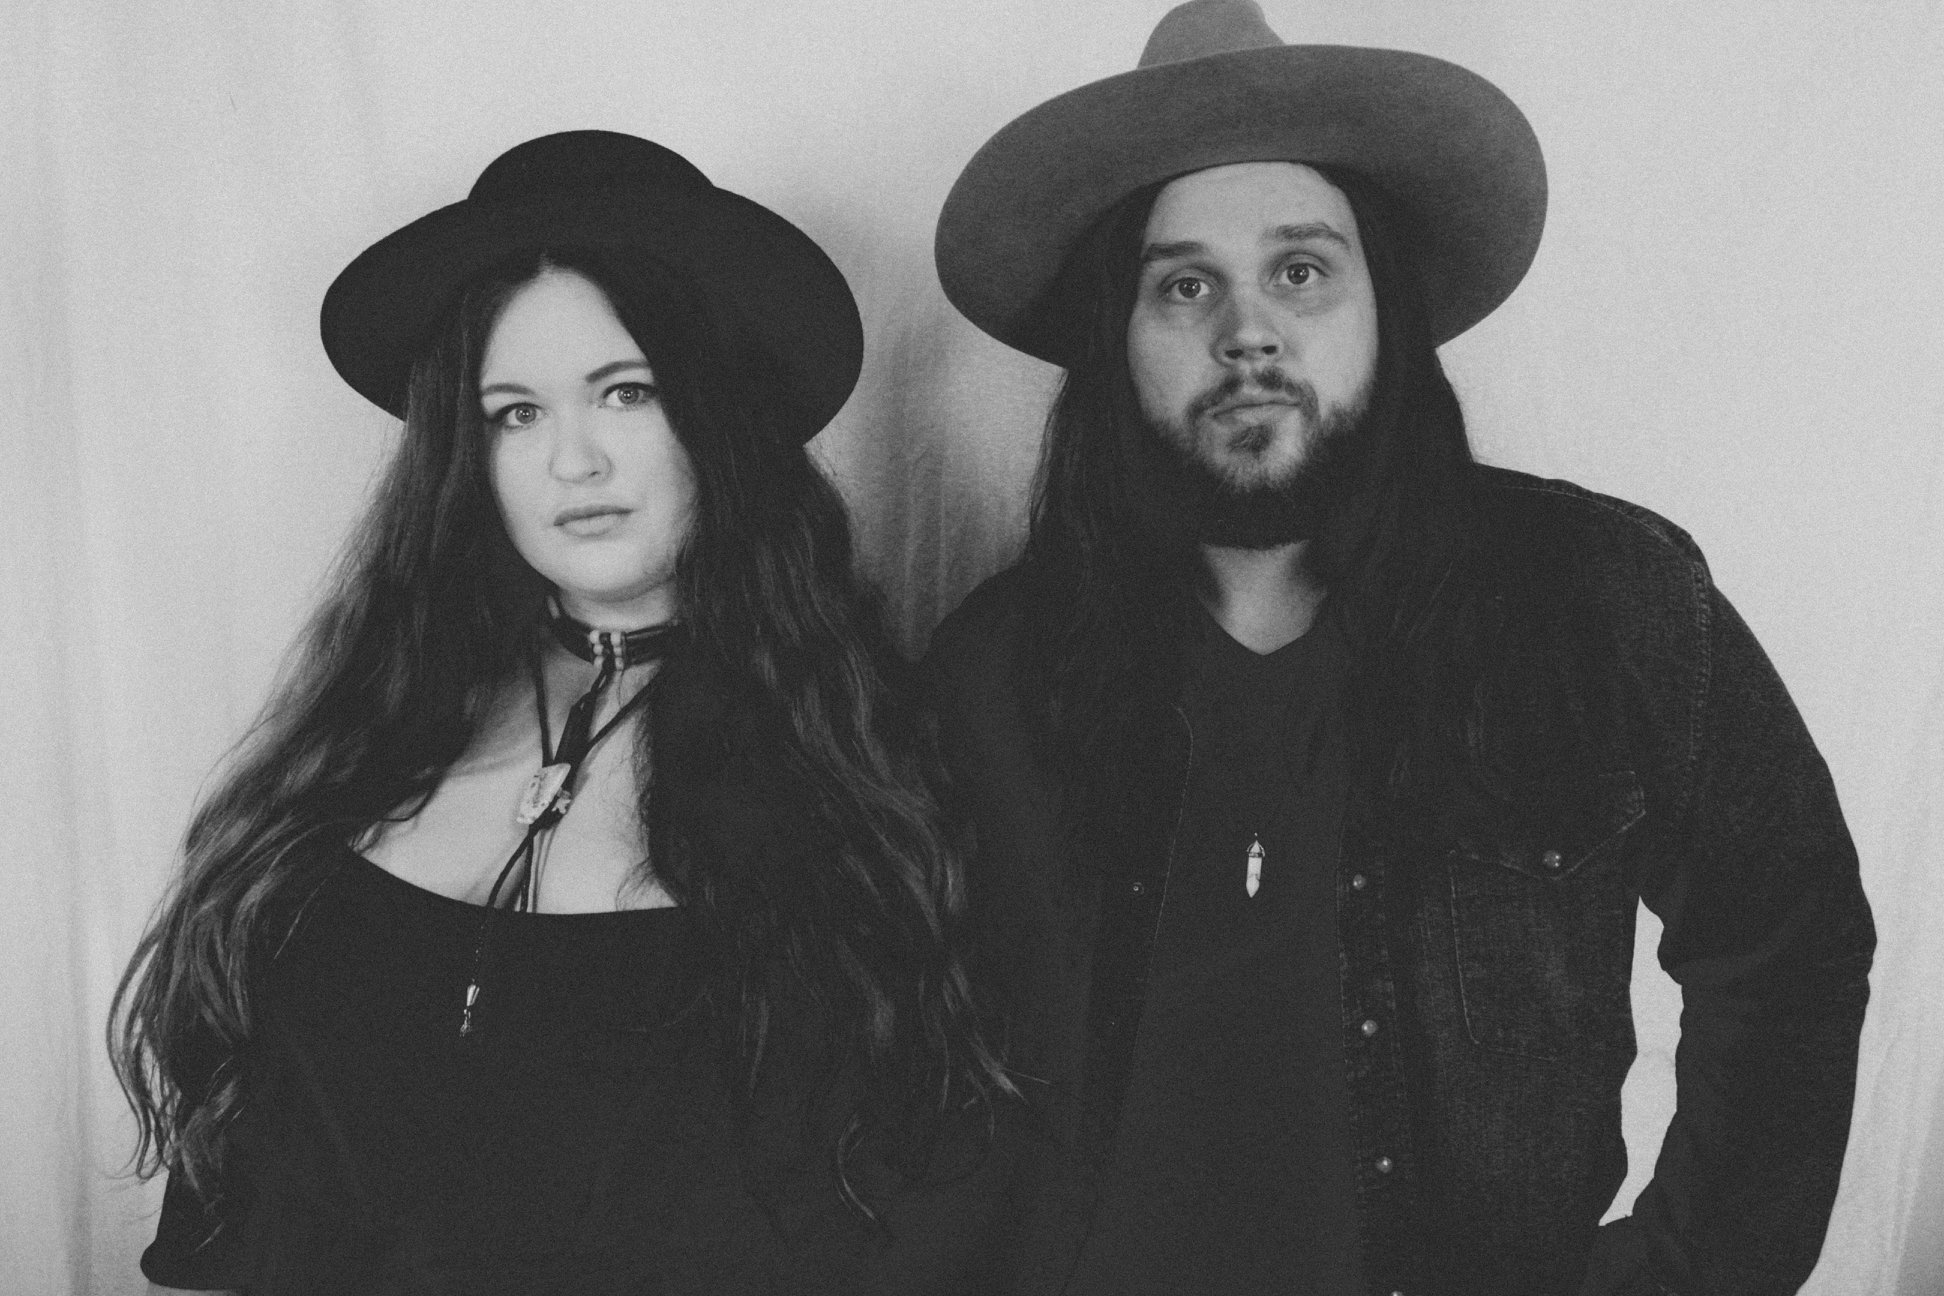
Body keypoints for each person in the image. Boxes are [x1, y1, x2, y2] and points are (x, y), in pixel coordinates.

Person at [922, 3, 1875, 1294]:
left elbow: (1790, 941)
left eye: (1301, 269)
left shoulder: (1597, 602)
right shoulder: (999, 666)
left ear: (1387, 308)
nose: (1246, 330)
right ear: (1119, 342)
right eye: (1184, 283)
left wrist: (1691, 1270)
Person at [111, 130, 1015, 1295]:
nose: (571, 462)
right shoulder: (363, 741)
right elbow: (227, 1209)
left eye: (625, 393)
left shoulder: (865, 780)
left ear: (722, 416)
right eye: (513, 414)